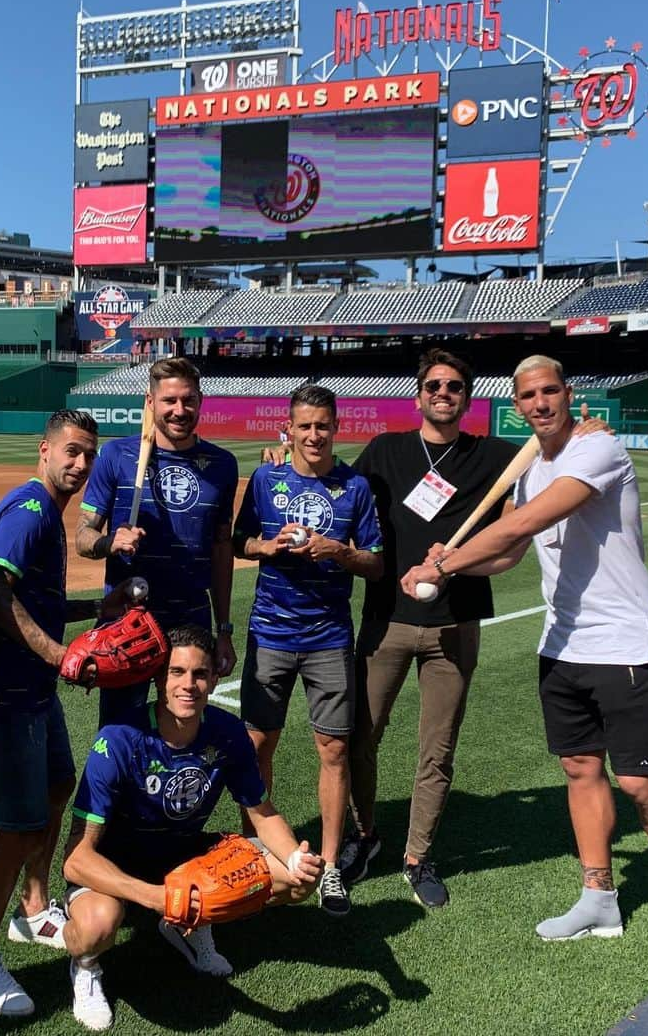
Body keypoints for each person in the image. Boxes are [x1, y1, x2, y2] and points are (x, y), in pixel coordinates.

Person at [401, 355, 648, 982]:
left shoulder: (597, 451)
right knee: (579, 769)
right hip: (562, 641)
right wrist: (456, 557)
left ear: (568, 395)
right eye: (528, 396)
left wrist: (445, 564)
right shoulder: (530, 467)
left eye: (550, 391)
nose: (540, 403)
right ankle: (599, 897)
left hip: (625, 642)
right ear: (516, 405)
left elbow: (532, 519)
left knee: (641, 784)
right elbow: (512, 551)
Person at [0, 410, 136, 1018]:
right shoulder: (30, 511)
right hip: (11, 697)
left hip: (38, 692)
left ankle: (33, 909)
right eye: (71, 451)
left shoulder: (50, 519)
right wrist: (61, 655)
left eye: (88, 454)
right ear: (43, 450)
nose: (81, 464)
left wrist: (99, 606)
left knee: (60, 787)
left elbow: (40, 602)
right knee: (16, 832)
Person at [60, 624, 324, 1031]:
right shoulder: (118, 740)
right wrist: (155, 897)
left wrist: (295, 856)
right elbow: (76, 860)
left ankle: (188, 925)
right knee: (96, 928)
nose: (189, 685)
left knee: (295, 882)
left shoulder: (228, 732)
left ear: (214, 679)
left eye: (199, 674)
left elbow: (262, 812)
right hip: (114, 865)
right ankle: (86, 967)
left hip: (183, 855)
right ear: (158, 679)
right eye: (177, 673)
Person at [340, 348, 525, 908]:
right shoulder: (386, 450)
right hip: (386, 620)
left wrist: (457, 565)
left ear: (468, 397)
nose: (444, 394)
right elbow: (338, 499)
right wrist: (283, 462)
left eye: (454, 387)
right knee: (360, 736)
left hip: (455, 626)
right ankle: (365, 836)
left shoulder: (495, 456)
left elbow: (513, 545)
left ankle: (418, 856)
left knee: (437, 748)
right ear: (419, 394)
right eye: (435, 385)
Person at [234, 384, 384, 917]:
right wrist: (268, 546)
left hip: (328, 638)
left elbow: (376, 563)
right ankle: (252, 853)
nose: (314, 435)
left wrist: (339, 551)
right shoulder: (267, 478)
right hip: (270, 632)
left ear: (335, 427)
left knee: (334, 750)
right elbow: (239, 542)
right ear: (288, 429)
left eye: (323, 425)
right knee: (256, 745)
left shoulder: (355, 488)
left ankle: (331, 865)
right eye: (304, 426)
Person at [76, 357, 239, 725]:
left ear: (200, 401)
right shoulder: (117, 456)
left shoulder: (223, 465)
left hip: (191, 619)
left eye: (188, 400)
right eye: (169, 401)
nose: (179, 410)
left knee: (184, 728)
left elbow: (221, 549)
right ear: (150, 403)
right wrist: (109, 543)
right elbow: (83, 537)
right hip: (130, 619)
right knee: (119, 731)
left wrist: (224, 629)